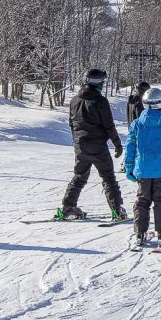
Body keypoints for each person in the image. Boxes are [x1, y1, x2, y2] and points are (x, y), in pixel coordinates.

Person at [58, 68, 128, 221]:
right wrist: (117, 144)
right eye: (103, 81)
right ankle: (117, 210)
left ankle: (67, 207)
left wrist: (76, 141)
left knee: (79, 176)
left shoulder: (74, 100)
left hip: (80, 145)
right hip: (97, 146)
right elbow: (109, 125)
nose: (103, 84)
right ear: (98, 83)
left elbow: (72, 124)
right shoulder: (100, 101)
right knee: (108, 177)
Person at [124, 87, 161, 248]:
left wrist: (128, 166)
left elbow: (130, 146)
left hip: (142, 170)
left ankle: (140, 232)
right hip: (160, 170)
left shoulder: (137, 124)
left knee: (142, 200)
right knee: (160, 200)